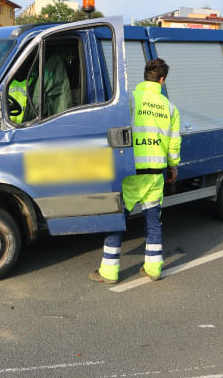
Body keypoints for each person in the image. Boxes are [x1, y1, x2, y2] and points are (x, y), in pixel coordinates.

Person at [89, 58, 181, 284]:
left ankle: (109, 272)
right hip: (155, 173)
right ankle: (153, 268)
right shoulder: (170, 108)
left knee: (118, 219)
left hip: (131, 171)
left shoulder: (129, 99)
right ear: (162, 80)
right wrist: (173, 166)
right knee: (153, 221)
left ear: (145, 76)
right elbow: (174, 143)